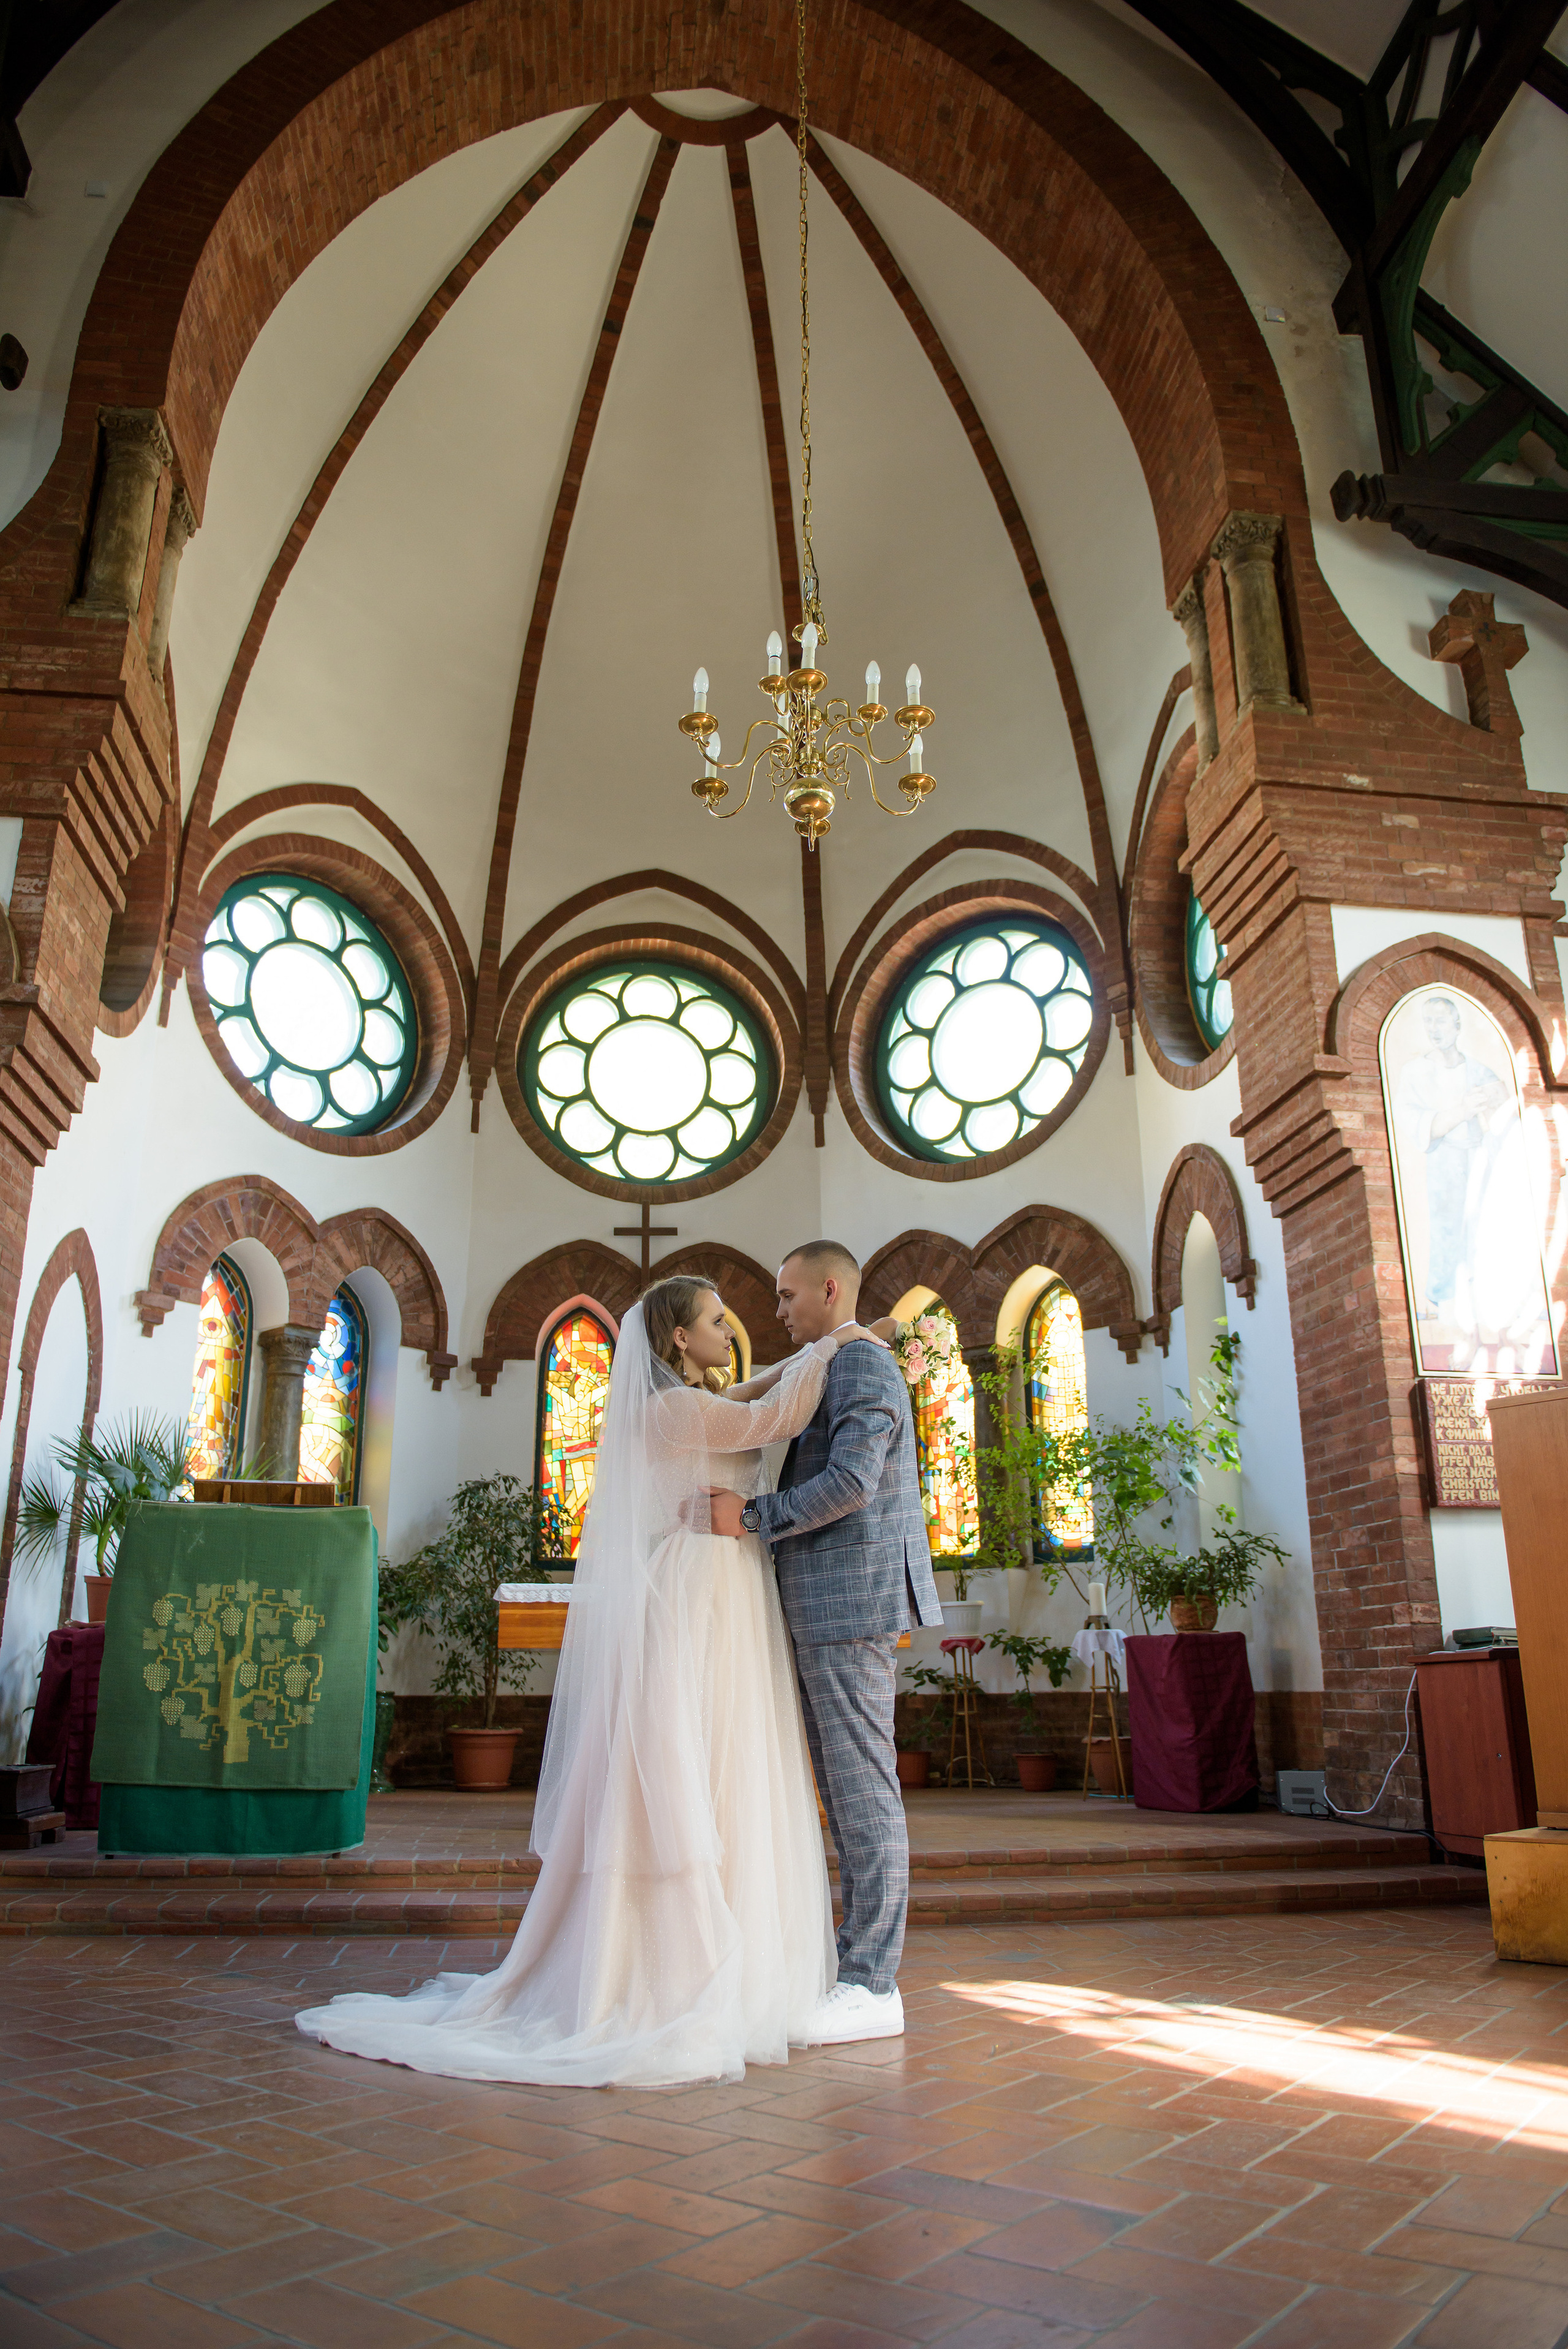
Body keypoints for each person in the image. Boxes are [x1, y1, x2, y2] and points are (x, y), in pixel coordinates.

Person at [295, 1275, 886, 2087]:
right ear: (679, 1340)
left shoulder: (689, 1400)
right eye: (717, 1320)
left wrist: (822, 1349)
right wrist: (840, 1340)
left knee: (727, 1762)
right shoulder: (675, 1409)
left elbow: (752, 1395)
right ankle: (665, 1965)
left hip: (732, 1589)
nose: (732, 1328)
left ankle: (741, 1959)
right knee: (695, 1760)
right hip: (701, 1592)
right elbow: (773, 1417)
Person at [706, 1240, 943, 2044]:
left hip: (850, 1601)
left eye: (785, 1295)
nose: (777, 1311)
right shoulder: (837, 1361)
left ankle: (874, 1984)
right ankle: (853, 1968)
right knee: (845, 1790)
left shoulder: (864, 1369)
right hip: (825, 1602)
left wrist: (750, 1519)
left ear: (830, 1288)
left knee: (863, 1787)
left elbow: (852, 1483)